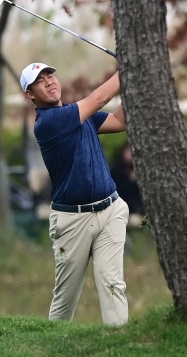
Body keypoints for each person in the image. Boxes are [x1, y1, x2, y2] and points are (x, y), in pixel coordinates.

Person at [20, 62, 129, 325]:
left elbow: (119, 121)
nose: (49, 81)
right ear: (31, 94)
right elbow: (99, 98)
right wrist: (128, 65)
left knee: (112, 283)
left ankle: (119, 344)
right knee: (65, 297)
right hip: (72, 221)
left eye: (50, 76)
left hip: (110, 210)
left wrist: (133, 84)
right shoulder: (48, 123)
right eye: (39, 81)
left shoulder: (77, 114)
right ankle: (53, 347)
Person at [110, 143, 145, 228]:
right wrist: (131, 180)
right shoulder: (117, 170)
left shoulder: (139, 167)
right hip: (125, 204)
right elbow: (118, 191)